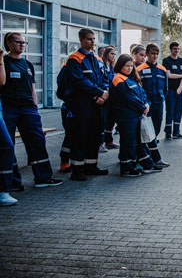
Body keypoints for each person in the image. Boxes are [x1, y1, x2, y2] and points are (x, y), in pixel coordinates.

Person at [0, 32, 63, 189]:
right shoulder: (4, 62)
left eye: (24, 42)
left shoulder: (27, 65)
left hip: (28, 109)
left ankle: (43, 177)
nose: (22, 45)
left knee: (37, 141)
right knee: (9, 143)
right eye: (18, 42)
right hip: (9, 108)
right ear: (8, 43)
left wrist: (35, 109)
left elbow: (33, 89)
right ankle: (13, 182)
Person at [65, 28, 110, 181]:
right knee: (80, 136)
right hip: (82, 104)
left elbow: (105, 79)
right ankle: (77, 169)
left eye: (93, 39)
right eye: (89, 39)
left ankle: (91, 165)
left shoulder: (97, 59)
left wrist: (103, 94)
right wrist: (98, 92)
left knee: (95, 135)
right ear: (81, 40)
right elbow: (79, 82)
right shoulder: (75, 59)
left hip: (98, 103)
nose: (92, 42)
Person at [109, 54, 161, 176]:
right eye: (127, 66)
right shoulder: (118, 79)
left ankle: (141, 165)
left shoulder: (131, 78)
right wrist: (143, 106)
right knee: (128, 142)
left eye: (131, 66)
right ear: (120, 66)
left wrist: (147, 104)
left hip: (136, 115)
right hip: (126, 117)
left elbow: (142, 94)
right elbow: (129, 98)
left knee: (137, 141)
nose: (130, 68)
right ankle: (127, 168)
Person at [135, 43, 169, 168]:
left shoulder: (162, 69)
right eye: (152, 53)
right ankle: (151, 157)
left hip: (158, 103)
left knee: (156, 128)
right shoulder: (140, 69)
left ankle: (150, 154)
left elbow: (165, 88)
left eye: (156, 54)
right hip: (146, 105)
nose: (154, 56)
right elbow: (139, 88)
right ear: (147, 54)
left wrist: (161, 98)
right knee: (146, 130)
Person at [0, 44, 18, 206]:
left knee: (7, 145)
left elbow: (1, 81)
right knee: (6, 145)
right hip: (8, 107)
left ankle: (4, 189)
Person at [162, 42, 182, 140]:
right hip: (170, 90)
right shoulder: (166, 61)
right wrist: (181, 75)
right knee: (170, 111)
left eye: (178, 49)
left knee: (179, 111)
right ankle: (168, 132)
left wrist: (180, 87)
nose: (176, 50)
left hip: (179, 90)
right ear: (171, 49)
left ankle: (176, 132)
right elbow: (169, 75)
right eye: (174, 49)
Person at [101, 46, 119, 150]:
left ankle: (109, 141)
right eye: (112, 54)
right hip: (104, 96)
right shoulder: (102, 66)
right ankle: (100, 142)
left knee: (111, 120)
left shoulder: (113, 67)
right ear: (106, 54)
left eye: (115, 54)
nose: (113, 56)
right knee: (103, 120)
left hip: (112, 97)